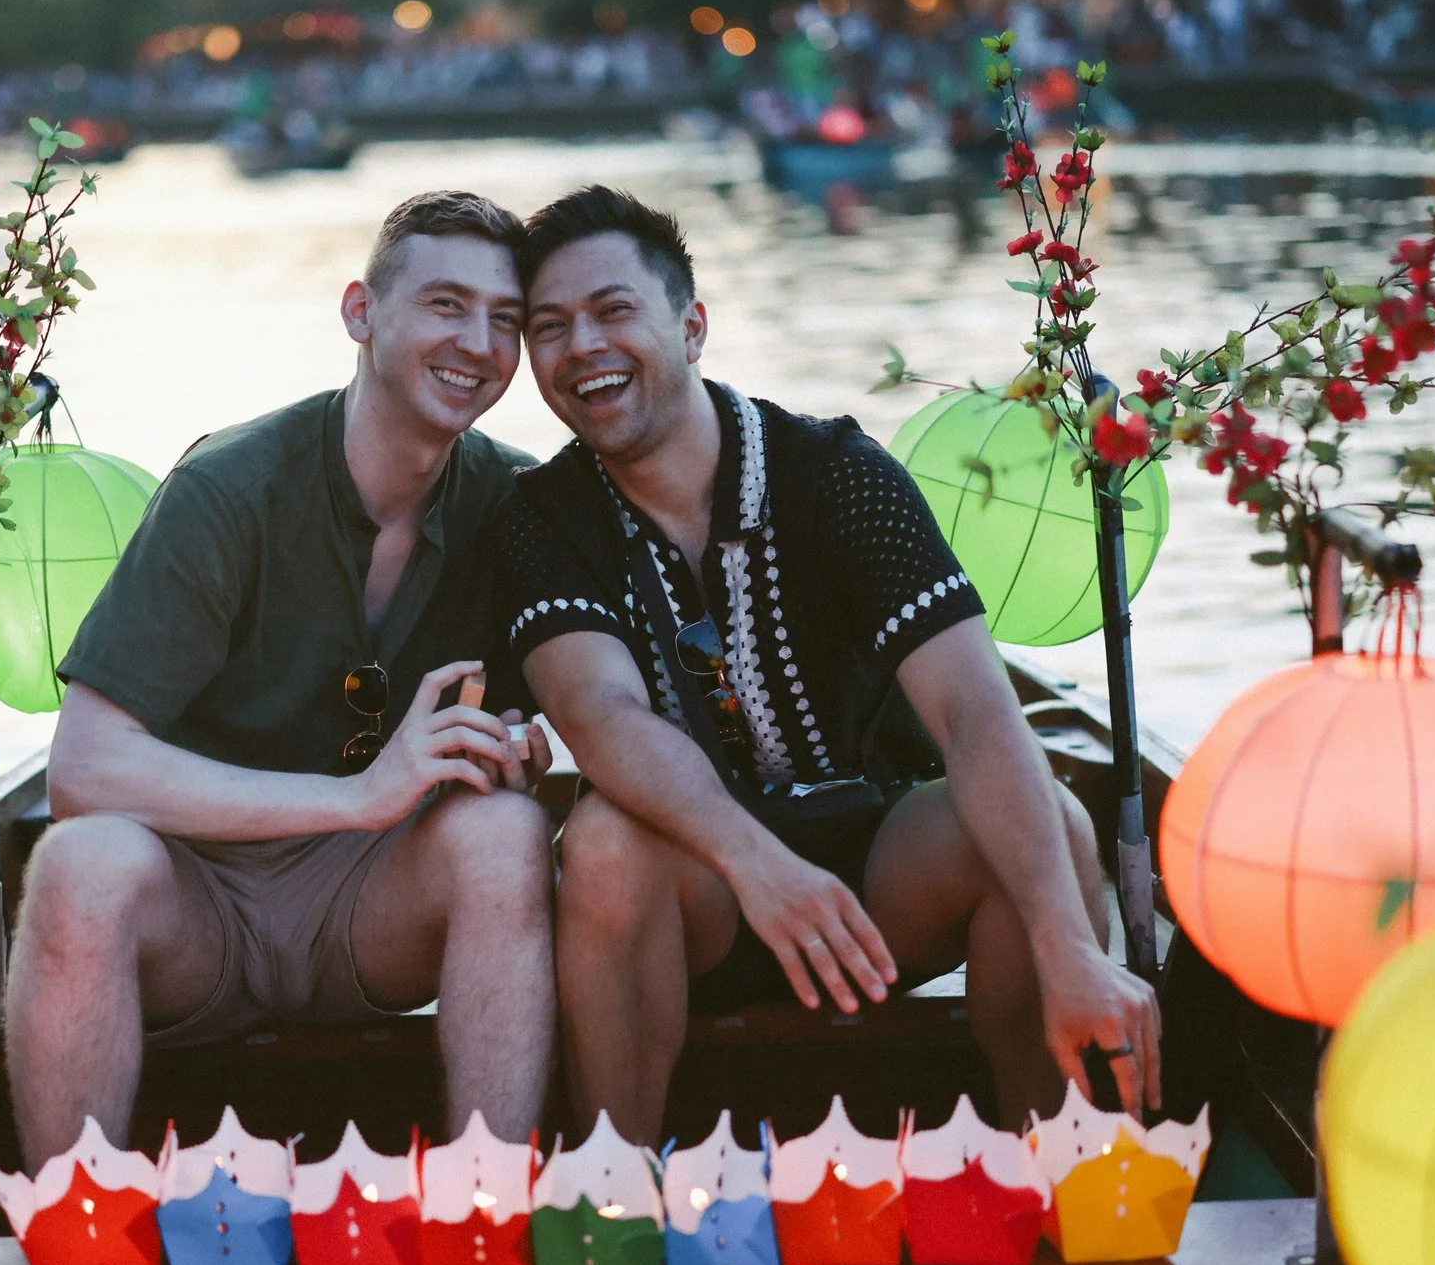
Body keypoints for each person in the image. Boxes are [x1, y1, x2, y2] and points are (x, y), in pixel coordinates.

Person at [7, 191, 580, 1265]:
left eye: (504, 320)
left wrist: (535, 740)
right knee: (78, 865)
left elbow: (585, 694)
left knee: (500, 834)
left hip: (363, 913)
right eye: (446, 305)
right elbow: (82, 763)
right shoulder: (231, 488)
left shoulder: (512, 505)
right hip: (194, 904)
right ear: (361, 313)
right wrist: (359, 794)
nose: (479, 343)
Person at [493, 185, 1163, 1148]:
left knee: (1049, 826)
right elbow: (599, 716)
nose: (582, 347)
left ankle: (1060, 1171)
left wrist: (1071, 946)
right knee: (603, 841)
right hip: (698, 901)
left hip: (882, 875)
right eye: (550, 327)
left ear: (691, 327)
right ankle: (616, 1188)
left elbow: (977, 712)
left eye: (612, 310)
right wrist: (755, 859)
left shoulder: (839, 473)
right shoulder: (538, 518)